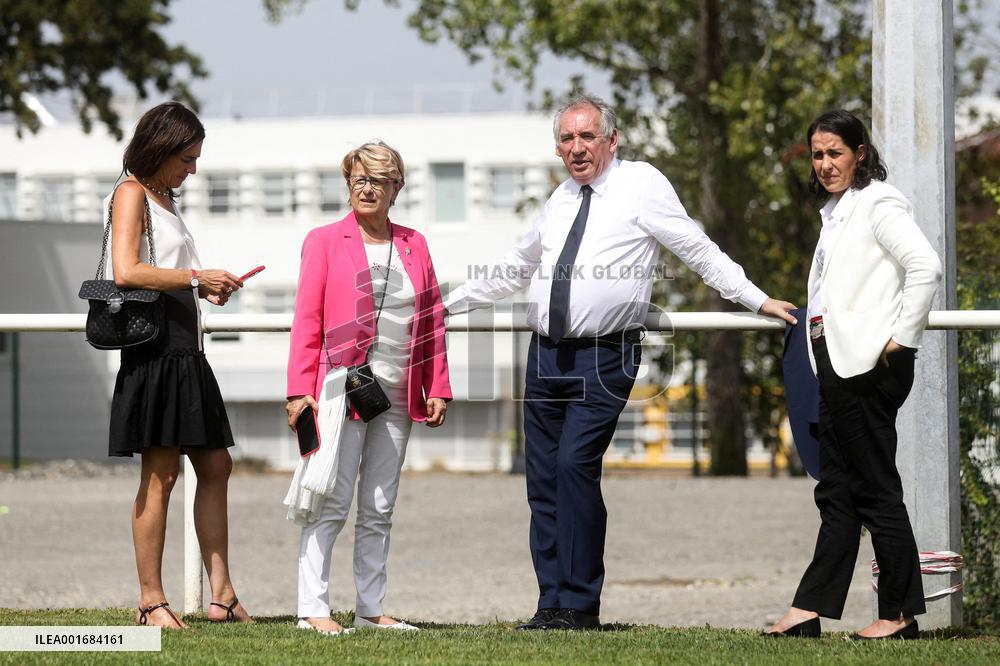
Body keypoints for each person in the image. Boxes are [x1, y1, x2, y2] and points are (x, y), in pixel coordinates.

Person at [444, 94, 797, 630]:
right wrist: (442, 305)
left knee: (573, 468)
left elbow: (696, 249)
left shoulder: (641, 184)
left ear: (612, 139)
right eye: (567, 139)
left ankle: (581, 604)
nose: (577, 148)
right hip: (545, 355)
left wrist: (756, 297)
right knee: (541, 480)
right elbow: (515, 268)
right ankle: (551, 604)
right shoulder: (561, 198)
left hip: (605, 354)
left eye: (588, 136)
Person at [765, 110, 942, 640]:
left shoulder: (878, 203)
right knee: (838, 493)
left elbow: (925, 266)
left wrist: (902, 339)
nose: (824, 164)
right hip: (833, 367)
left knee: (873, 490)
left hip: (867, 368)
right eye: (817, 155)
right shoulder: (837, 212)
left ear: (859, 153)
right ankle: (808, 610)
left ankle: (900, 614)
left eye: (835, 153)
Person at [284, 141, 451, 636]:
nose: (366, 187)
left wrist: (438, 385)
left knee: (379, 505)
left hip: (401, 393)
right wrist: (298, 389)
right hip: (340, 388)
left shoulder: (415, 243)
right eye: (358, 178)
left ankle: (370, 609)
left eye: (378, 179)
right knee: (330, 499)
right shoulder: (324, 240)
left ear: (396, 188)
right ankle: (311, 608)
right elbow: (306, 320)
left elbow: (433, 319)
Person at [106, 102, 251, 628]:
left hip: (188, 351)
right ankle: (151, 602)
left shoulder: (165, 199)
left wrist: (206, 289)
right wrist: (197, 278)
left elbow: (165, 270)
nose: (192, 169)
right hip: (154, 354)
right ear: (160, 148)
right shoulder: (131, 193)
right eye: (186, 158)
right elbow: (126, 270)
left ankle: (223, 596)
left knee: (216, 465)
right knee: (160, 475)